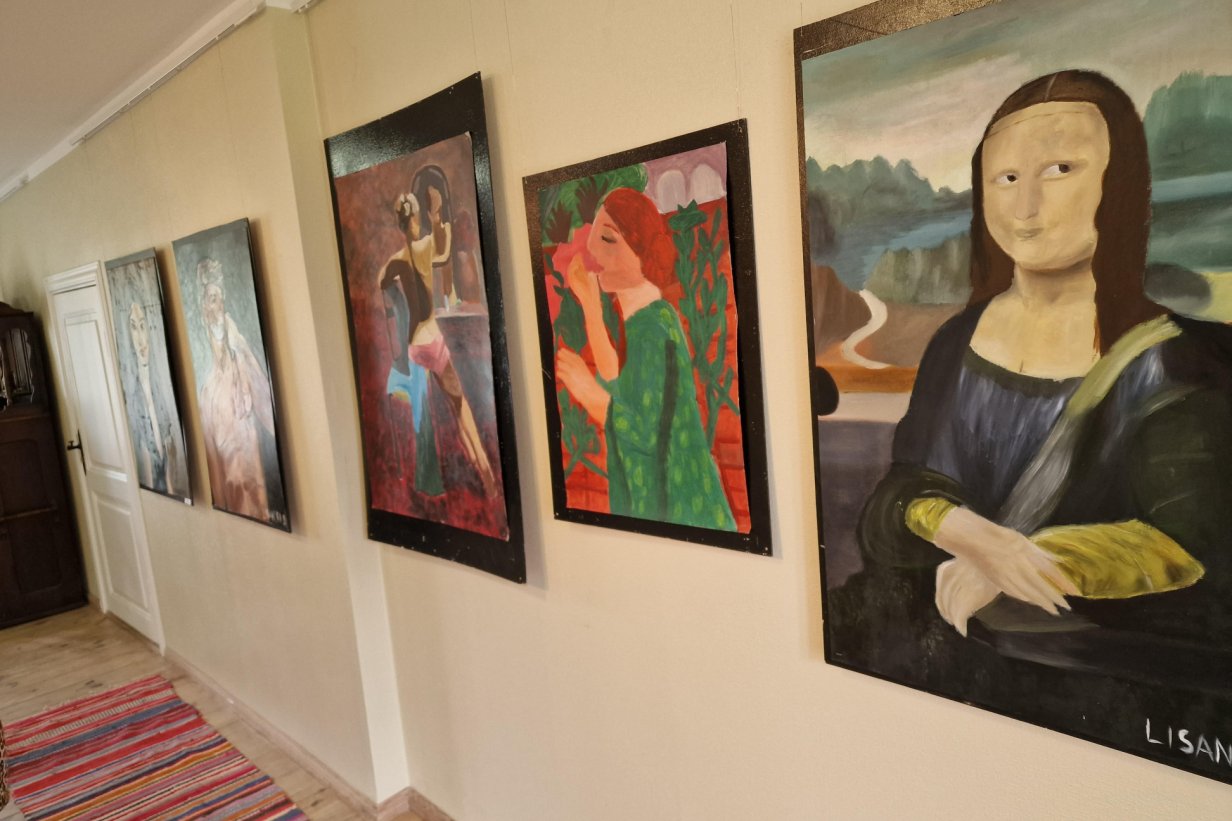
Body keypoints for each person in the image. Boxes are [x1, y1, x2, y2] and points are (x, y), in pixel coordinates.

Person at [842, 70, 1232, 688]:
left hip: (1106, 679)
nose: (1025, 207)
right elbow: (897, 500)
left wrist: (1035, 559)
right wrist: (971, 535)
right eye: (1006, 178)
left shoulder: (1181, 358)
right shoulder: (955, 342)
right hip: (956, 667)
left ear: (1119, 183)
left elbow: (1191, 542)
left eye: (1059, 170)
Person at [556, 187, 736, 530]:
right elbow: (619, 382)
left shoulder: (654, 326)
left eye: (608, 239)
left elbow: (641, 430)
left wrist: (587, 390)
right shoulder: (643, 319)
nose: (593, 252)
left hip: (682, 506)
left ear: (642, 252)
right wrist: (591, 306)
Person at [380, 189, 496, 498]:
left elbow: (382, 280)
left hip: (415, 347)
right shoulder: (422, 248)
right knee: (462, 408)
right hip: (432, 339)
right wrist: (437, 216)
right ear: (414, 219)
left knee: (453, 411)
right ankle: (487, 477)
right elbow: (444, 252)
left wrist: (396, 297)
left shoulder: (396, 260)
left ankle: (480, 473)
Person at [197, 258, 277, 522]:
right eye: (212, 300)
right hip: (234, 512)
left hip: (260, 500)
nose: (219, 307)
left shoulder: (243, 365)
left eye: (221, 299)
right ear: (203, 310)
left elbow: (270, 410)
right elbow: (213, 472)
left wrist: (240, 345)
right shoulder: (207, 393)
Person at [127, 302, 183, 497]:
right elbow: (148, 482)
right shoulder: (133, 398)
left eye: (143, 326)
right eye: (134, 328)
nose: (141, 339)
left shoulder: (164, 386)